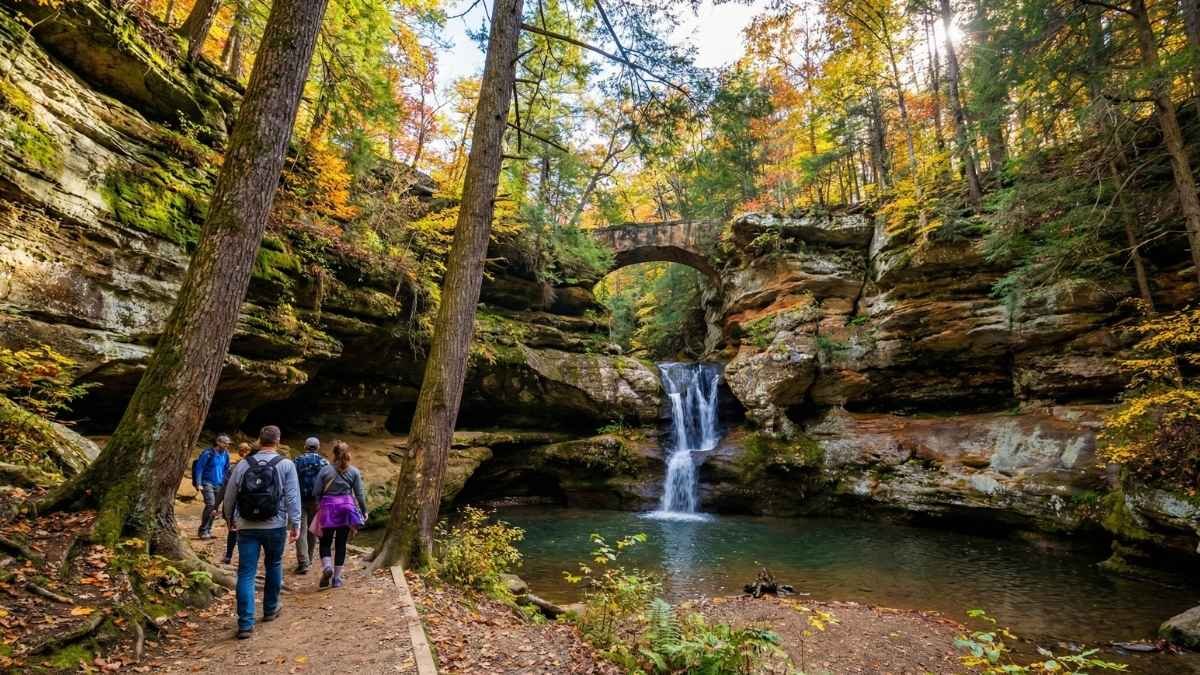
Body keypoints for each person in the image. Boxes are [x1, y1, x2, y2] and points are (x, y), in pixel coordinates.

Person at [222, 426, 301, 639]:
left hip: (247, 526)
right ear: (277, 441)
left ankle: (245, 623)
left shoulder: (243, 464)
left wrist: (229, 518)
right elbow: (293, 497)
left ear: (259, 440)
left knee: (246, 573)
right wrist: (296, 524)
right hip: (275, 525)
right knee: (274, 565)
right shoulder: (286, 465)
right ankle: (270, 609)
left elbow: (230, 494)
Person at [314, 441, 368, 589]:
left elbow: (316, 491)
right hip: (346, 509)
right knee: (341, 544)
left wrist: (318, 505)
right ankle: (337, 579)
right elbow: (359, 494)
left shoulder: (325, 470)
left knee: (325, 542)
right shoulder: (354, 472)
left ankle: (327, 567)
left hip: (328, 508)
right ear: (347, 453)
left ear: (334, 453)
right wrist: (364, 510)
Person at [291, 436, 328, 574]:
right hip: (316, 500)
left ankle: (303, 561)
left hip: (299, 499)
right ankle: (310, 559)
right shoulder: (324, 462)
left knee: (300, 529)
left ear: (305, 447)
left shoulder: (296, 461)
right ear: (318, 447)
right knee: (313, 529)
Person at [219, 442, 255, 565]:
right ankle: (244, 559)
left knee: (233, 531)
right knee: (247, 534)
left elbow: (226, 489)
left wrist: (223, 510)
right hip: (250, 505)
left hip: (237, 505)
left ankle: (229, 556)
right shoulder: (255, 466)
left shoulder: (236, 466)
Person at [192, 434, 231, 539]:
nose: (227, 446)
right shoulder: (208, 453)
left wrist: (226, 483)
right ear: (218, 442)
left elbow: (227, 469)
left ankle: (208, 530)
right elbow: (199, 468)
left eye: (228, 444)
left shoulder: (226, 454)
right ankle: (203, 530)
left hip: (219, 484)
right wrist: (198, 483)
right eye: (225, 443)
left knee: (215, 507)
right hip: (206, 482)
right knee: (210, 504)